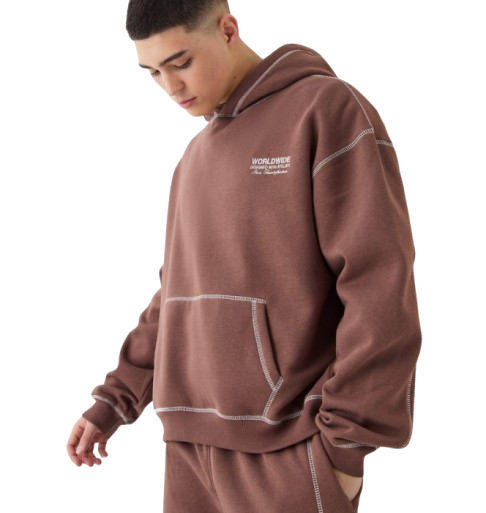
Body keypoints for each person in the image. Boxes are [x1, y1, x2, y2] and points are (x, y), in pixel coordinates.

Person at [66, 1, 422, 512]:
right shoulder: (192, 160)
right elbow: (176, 295)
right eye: (154, 72)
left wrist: (346, 445)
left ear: (228, 28)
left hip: (288, 451)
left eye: (181, 62)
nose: (171, 86)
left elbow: (379, 284)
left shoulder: (325, 110)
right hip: (187, 454)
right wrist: (114, 400)